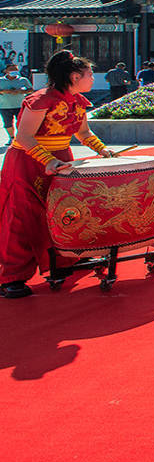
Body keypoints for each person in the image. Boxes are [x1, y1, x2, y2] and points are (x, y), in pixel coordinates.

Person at [0, 51, 108, 297]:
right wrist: (47, 160)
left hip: (60, 160)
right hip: (28, 163)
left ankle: (66, 259)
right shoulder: (40, 99)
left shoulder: (78, 101)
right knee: (21, 219)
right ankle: (10, 277)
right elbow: (23, 137)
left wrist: (104, 150)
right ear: (73, 76)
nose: (92, 78)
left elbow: (84, 134)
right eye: (89, 74)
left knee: (64, 212)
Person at [1, 60, 31, 141]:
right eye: (11, 70)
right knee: (7, 124)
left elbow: (31, 90)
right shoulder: (1, 80)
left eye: (15, 70)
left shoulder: (23, 80)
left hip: (19, 105)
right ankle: (11, 138)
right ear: (6, 71)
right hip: (4, 106)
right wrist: (5, 91)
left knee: (21, 123)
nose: (13, 71)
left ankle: (20, 137)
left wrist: (21, 91)